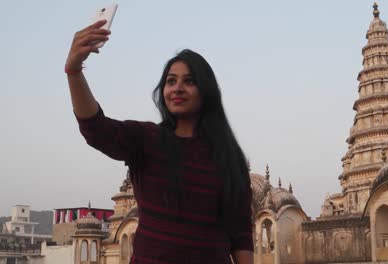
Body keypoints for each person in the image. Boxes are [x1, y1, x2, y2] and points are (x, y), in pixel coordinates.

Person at [66, 20, 254, 263]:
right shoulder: (148, 140)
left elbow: (240, 234)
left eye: (189, 81)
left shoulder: (228, 156)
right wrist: (74, 71)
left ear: (206, 90)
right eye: (171, 81)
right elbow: (96, 129)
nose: (177, 88)